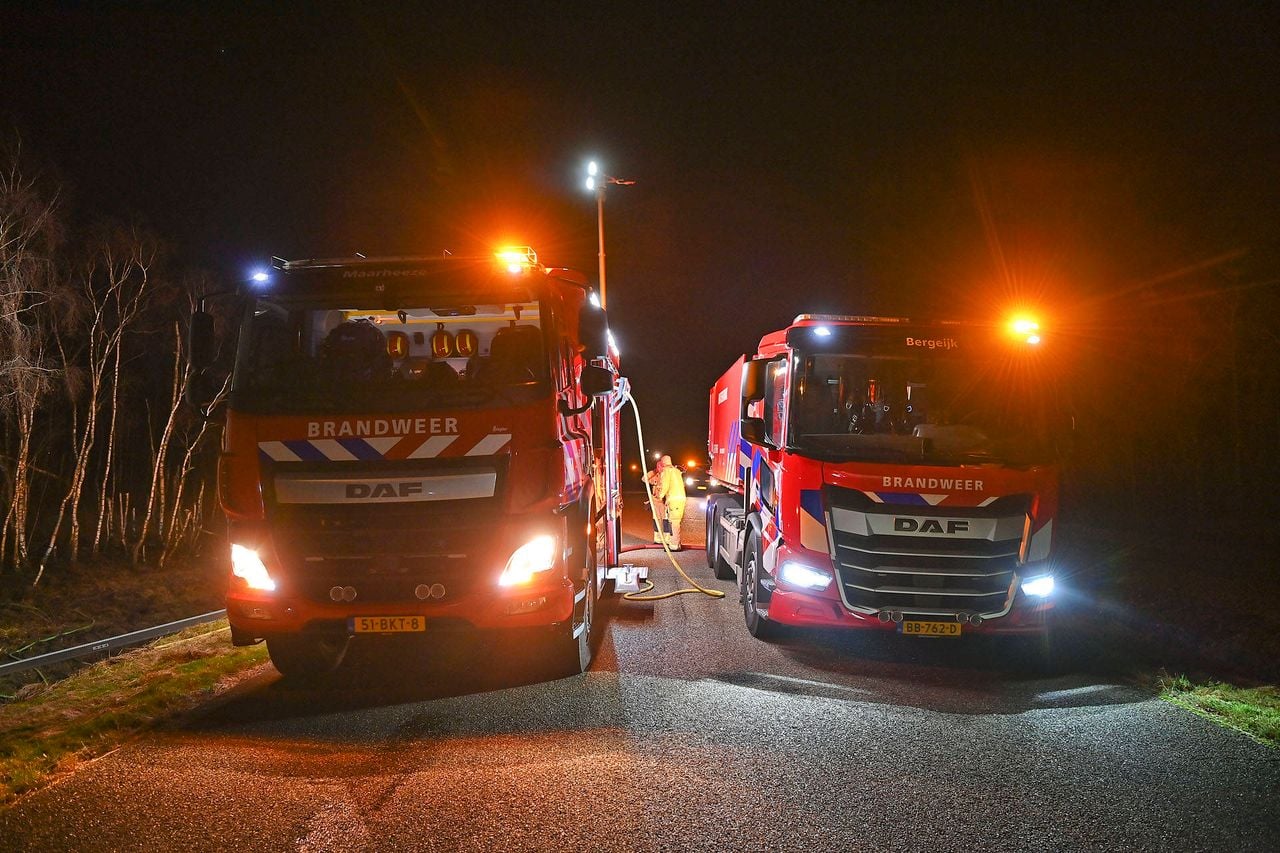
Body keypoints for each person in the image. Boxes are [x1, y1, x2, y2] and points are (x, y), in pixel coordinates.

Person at [653, 454, 687, 551]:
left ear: (663, 462)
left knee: (674, 523)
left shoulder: (667, 471)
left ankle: (674, 546)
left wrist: (659, 496)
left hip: (674, 500)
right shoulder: (676, 471)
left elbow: (665, 485)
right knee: (676, 521)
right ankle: (677, 543)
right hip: (680, 499)